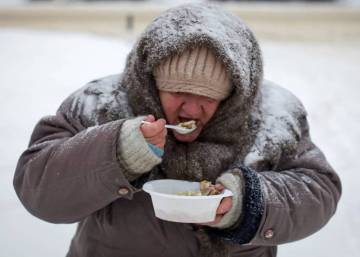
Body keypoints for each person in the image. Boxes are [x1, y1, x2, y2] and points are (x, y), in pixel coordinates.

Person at [13, 3, 341, 257]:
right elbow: (38, 188)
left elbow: (317, 189)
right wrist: (116, 154)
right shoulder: (101, 103)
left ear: (234, 95)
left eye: (208, 98)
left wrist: (248, 203)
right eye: (177, 92)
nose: (190, 110)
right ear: (151, 83)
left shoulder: (273, 114)